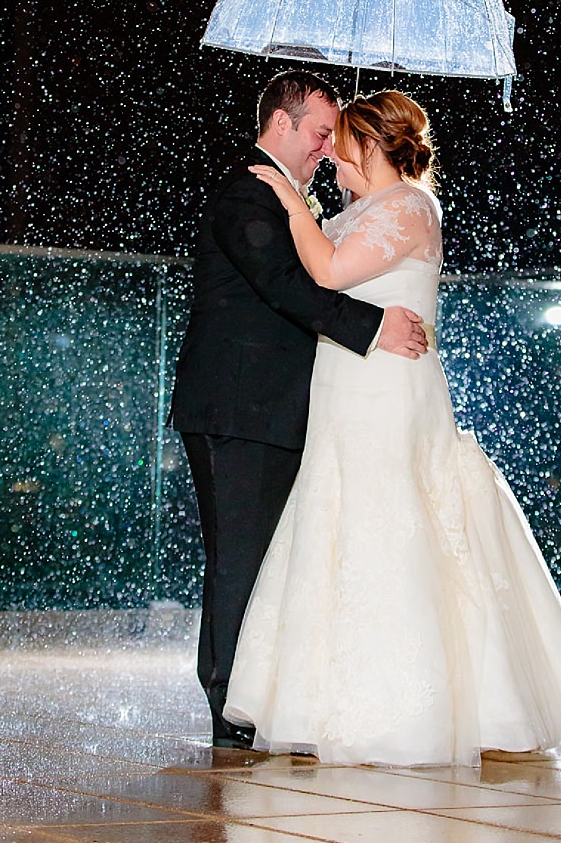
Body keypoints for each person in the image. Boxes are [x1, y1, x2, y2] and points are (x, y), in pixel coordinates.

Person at [226, 90, 561, 765]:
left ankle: (409, 709)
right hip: (344, 391)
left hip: (387, 393)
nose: (331, 160)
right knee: (340, 530)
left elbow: (330, 270)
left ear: (369, 146)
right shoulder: (360, 210)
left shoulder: (408, 205)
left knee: (390, 527)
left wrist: (289, 203)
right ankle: (327, 700)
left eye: (339, 147)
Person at [168, 70, 429, 750]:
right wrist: (373, 328)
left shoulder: (290, 198)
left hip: (271, 412)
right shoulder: (250, 191)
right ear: (280, 124)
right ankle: (228, 706)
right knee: (239, 561)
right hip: (238, 412)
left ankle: (258, 698)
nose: (325, 147)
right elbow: (286, 286)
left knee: (265, 560)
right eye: (319, 133)